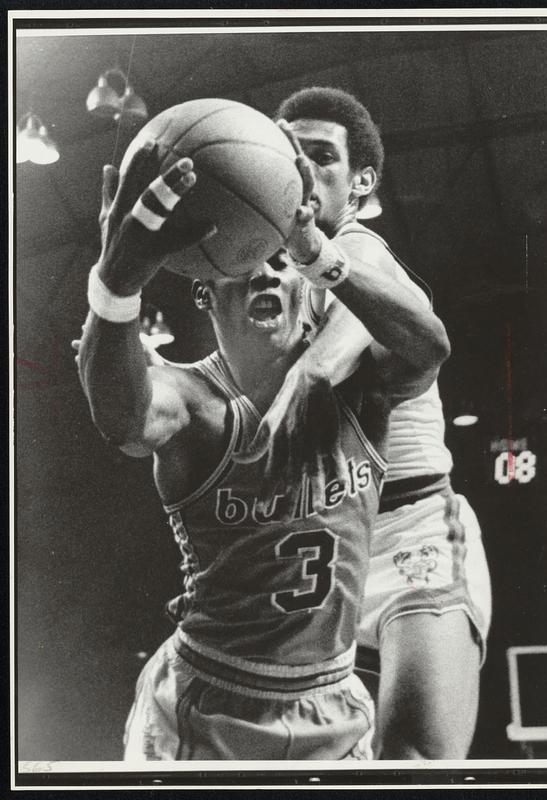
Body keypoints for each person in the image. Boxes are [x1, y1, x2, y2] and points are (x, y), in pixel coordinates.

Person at [76, 125, 450, 760]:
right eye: (248, 264)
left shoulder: (354, 386)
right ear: (206, 287)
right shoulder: (193, 402)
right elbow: (123, 419)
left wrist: (319, 252)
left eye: (281, 261)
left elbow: (430, 346)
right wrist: (116, 283)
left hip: (333, 698)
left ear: (307, 284)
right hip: (210, 701)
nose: (268, 273)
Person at [239, 87, 492, 760]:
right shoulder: (250, 275)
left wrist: (306, 370)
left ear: (361, 181)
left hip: (409, 533)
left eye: (321, 156)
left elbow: (330, 355)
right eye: (287, 157)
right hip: (314, 553)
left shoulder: (359, 251)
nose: (303, 172)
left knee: (411, 763)